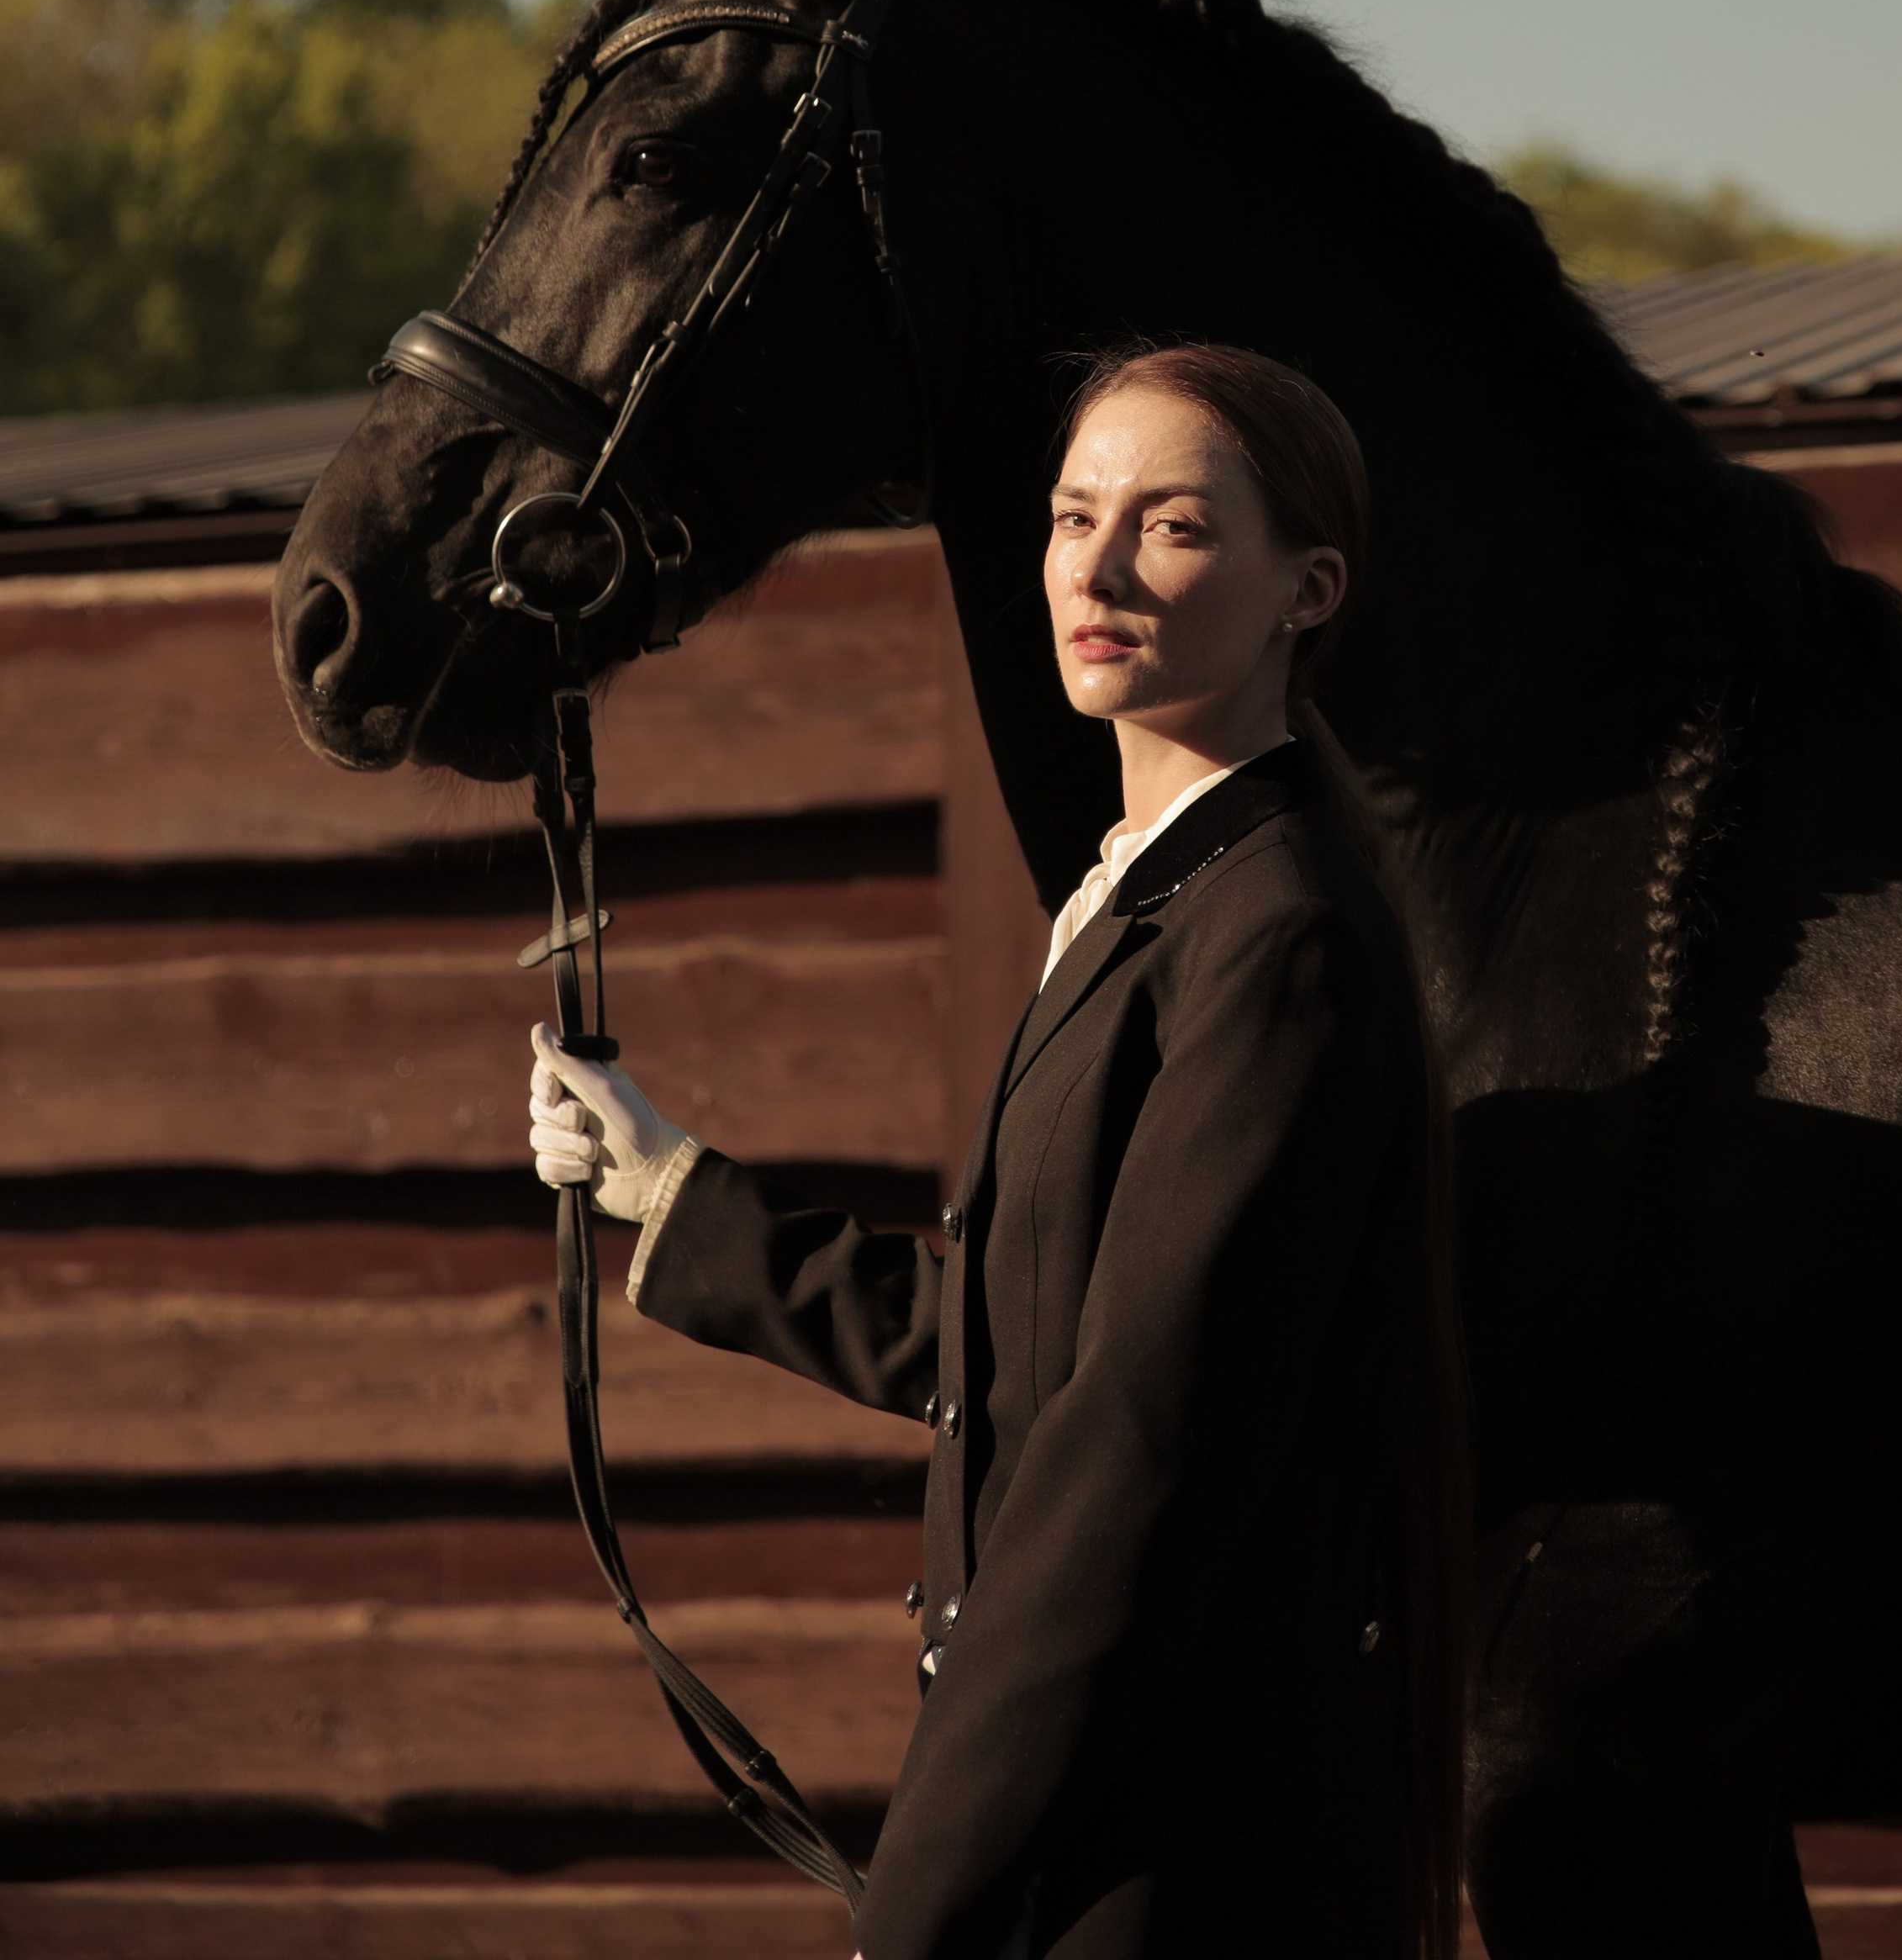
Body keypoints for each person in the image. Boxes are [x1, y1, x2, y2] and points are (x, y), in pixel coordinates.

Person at [529, 341, 1467, 1959]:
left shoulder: (1279, 938)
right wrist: (669, 1186)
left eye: (1174, 526)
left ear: (1306, 590)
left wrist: (923, 1906)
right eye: (1073, 515)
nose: (1097, 571)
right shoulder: (1146, 896)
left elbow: (1135, 1453)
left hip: (1189, 1859)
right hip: (1092, 1826)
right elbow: (1024, 1349)